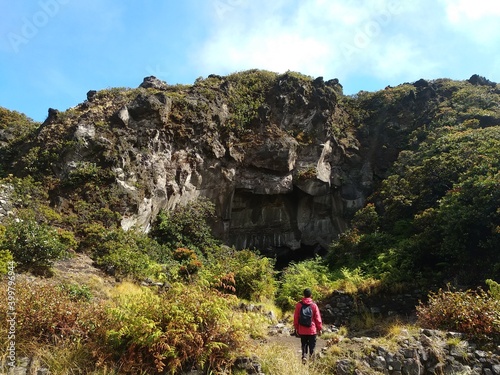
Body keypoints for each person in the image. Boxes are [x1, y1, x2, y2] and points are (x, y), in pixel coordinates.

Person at [293, 288, 323, 364]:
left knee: (304, 344)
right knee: (312, 346)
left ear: (303, 295)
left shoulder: (299, 305)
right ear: (311, 295)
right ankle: (312, 362)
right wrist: (319, 328)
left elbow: (296, 317)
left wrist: (296, 327)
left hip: (302, 329)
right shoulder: (314, 305)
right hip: (312, 330)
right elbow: (317, 318)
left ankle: (304, 357)